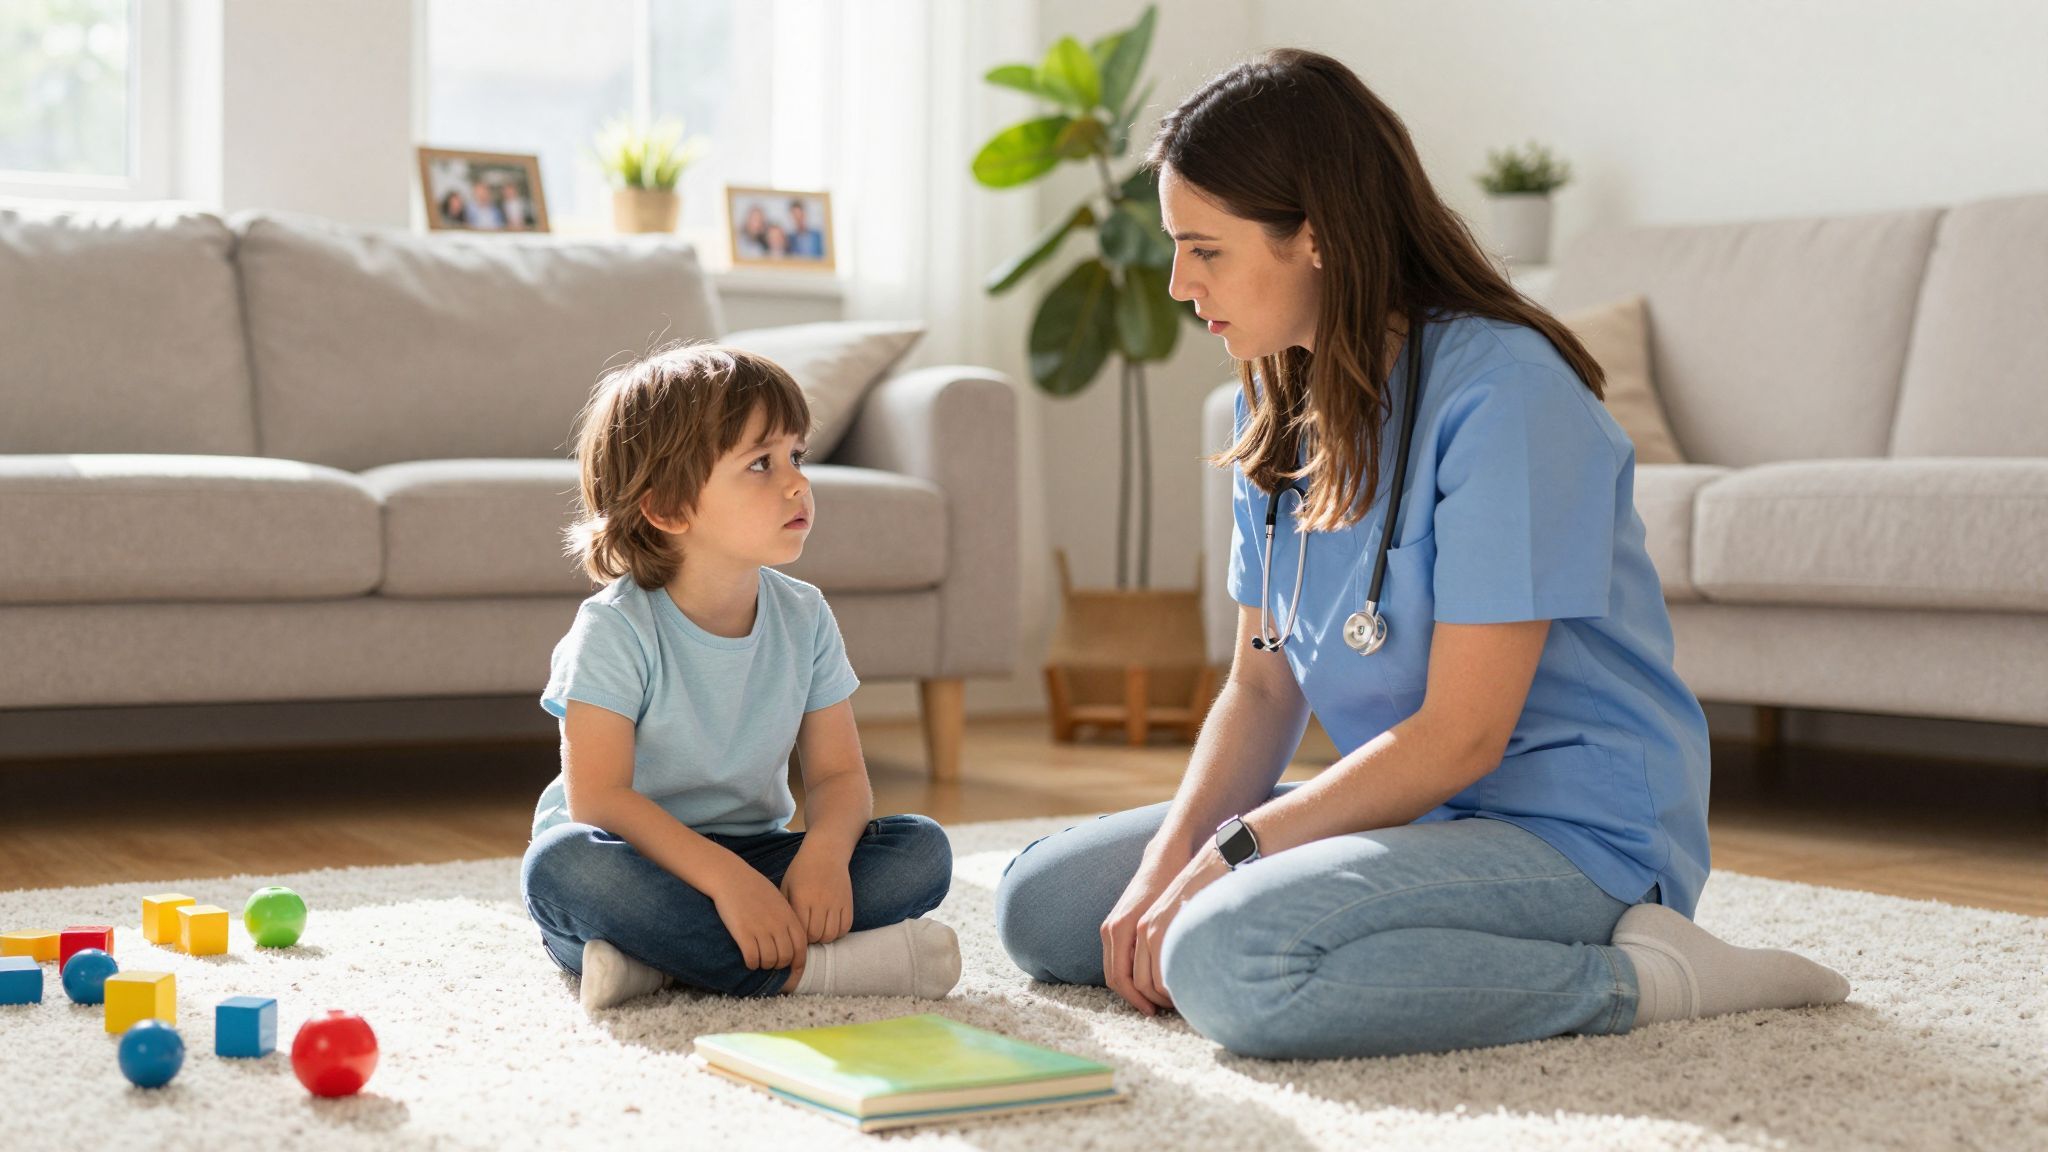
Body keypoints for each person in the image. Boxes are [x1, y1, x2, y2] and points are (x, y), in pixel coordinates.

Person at [994, 48, 1849, 1061]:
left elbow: (1460, 739)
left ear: (1314, 235)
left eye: (1204, 249)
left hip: (1570, 833)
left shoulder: (1507, 395)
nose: (1181, 284)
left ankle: (1648, 975)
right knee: (1044, 909)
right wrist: (1173, 857)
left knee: (1228, 960)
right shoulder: (1276, 401)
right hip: (1407, 818)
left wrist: (1237, 854)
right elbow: (1262, 689)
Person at [520, 344, 961, 1015]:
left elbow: (839, 776)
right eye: (761, 464)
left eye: (797, 456)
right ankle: (813, 971)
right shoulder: (612, 629)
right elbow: (600, 801)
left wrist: (823, 855)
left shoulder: (805, 615)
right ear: (669, 508)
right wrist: (726, 883)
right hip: (636, 858)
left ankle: (659, 963)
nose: (796, 484)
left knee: (920, 849)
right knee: (562, 869)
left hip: (759, 856)